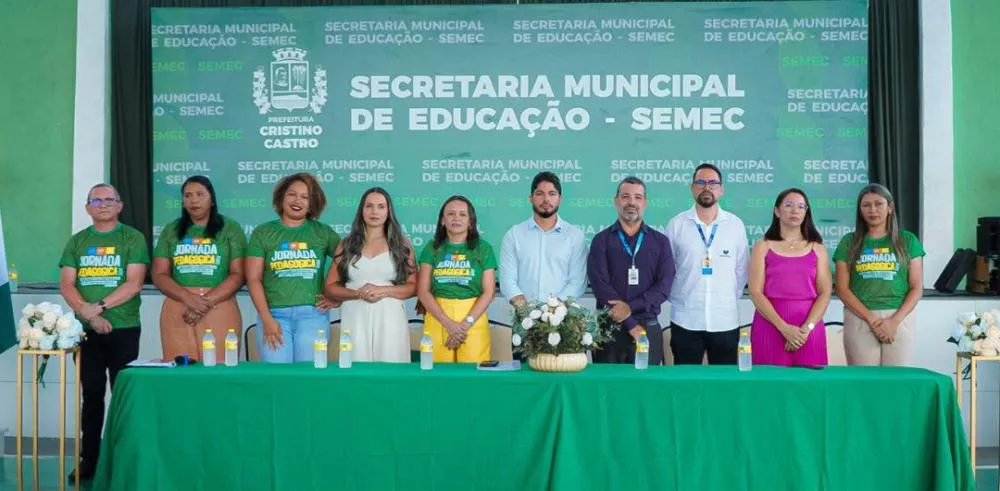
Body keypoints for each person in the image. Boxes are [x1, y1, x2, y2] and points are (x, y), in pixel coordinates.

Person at [58, 183, 148, 480]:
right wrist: (89, 315)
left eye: (110, 199)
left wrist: (98, 307)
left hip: (124, 329)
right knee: (92, 396)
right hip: (86, 333)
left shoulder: (132, 238)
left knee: (122, 396)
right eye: (96, 200)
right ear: (87, 208)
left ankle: (123, 461)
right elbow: (67, 284)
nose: (103, 204)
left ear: (120, 206)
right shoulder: (78, 241)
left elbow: (134, 283)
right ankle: (90, 461)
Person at [246, 173, 340, 363]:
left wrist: (336, 297)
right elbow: (253, 279)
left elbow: (348, 258)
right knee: (277, 378)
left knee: (308, 379)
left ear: (312, 203)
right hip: (274, 316)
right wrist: (266, 319)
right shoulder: (263, 232)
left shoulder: (322, 232)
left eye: (305, 197)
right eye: (292, 194)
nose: (298, 201)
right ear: (281, 197)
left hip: (313, 316)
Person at [152, 176, 246, 361]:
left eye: (200, 194)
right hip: (179, 305)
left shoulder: (230, 228)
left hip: (219, 304)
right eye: (187, 195)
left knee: (219, 368)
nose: (193, 200)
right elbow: (159, 273)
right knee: (179, 369)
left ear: (212, 199)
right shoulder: (171, 230)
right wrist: (188, 298)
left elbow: (238, 274)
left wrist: (203, 303)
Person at [666, 163, 749, 365]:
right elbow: (668, 270)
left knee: (724, 387)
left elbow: (741, 272)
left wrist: (725, 298)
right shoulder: (677, 224)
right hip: (685, 319)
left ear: (721, 189)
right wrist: (681, 299)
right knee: (685, 384)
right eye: (701, 182)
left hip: (725, 320)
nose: (707, 187)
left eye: (713, 183)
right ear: (692, 187)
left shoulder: (735, 225)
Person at [834, 183, 924, 366]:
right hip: (860, 317)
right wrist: (872, 319)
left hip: (899, 317)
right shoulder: (848, 242)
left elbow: (916, 288)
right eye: (866, 205)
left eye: (878, 204)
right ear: (860, 210)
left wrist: (894, 322)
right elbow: (842, 289)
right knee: (863, 382)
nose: (872, 210)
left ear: (890, 208)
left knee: (897, 382)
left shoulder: (908, 240)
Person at [588, 176, 674, 365]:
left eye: (637, 197)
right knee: (607, 392)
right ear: (616, 201)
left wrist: (629, 310)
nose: (631, 203)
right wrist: (630, 322)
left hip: (648, 329)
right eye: (625, 197)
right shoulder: (601, 241)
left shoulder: (660, 242)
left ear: (645, 202)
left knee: (648, 392)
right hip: (609, 333)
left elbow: (664, 287)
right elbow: (601, 288)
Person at [324, 187, 416, 362]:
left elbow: (413, 286)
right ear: (361, 210)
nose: (375, 211)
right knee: (355, 370)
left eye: (381, 206)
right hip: (354, 314)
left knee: (391, 371)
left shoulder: (401, 244)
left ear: (389, 211)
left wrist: (382, 290)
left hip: (391, 316)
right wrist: (358, 293)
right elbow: (329, 287)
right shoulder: (346, 244)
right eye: (369, 206)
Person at [748, 188, 832, 366]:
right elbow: (755, 292)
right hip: (770, 326)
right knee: (769, 386)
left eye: (801, 206)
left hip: (808, 329)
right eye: (789, 205)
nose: (795, 210)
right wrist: (784, 328)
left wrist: (806, 330)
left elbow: (825, 292)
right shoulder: (762, 246)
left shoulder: (817, 248)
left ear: (806, 212)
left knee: (810, 388)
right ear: (777, 211)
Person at [417, 196, 497, 363]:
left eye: (462, 214)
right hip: (438, 317)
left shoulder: (484, 249)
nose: (456, 218)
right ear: (442, 221)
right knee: (437, 375)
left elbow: (489, 292)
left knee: (473, 377)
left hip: (472, 318)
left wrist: (464, 325)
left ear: (470, 222)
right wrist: (448, 323)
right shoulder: (432, 248)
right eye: (451, 214)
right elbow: (423, 291)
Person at [499, 172, 587, 305]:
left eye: (552, 194)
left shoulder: (574, 236)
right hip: (524, 318)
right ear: (531, 198)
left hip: (563, 319)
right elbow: (507, 280)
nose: (546, 199)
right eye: (540, 194)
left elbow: (577, 282)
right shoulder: (514, 235)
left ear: (560, 199)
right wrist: (526, 311)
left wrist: (552, 311)